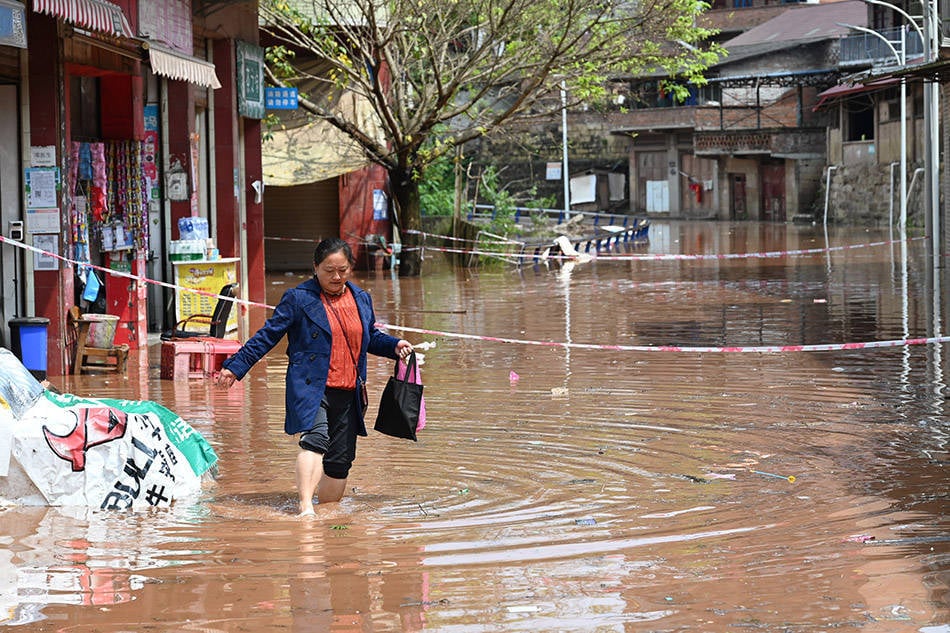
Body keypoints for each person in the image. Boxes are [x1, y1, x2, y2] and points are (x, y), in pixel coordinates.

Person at [217, 238, 413, 517]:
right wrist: (236, 366)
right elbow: (267, 336)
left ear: (350, 268)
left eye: (342, 270)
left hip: (349, 390)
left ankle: (327, 516)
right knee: (316, 439)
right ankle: (305, 507)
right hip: (312, 387)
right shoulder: (298, 299)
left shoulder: (361, 299)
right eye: (328, 270)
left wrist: (395, 346)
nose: (336, 277)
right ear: (315, 268)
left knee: (340, 461)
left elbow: (370, 338)